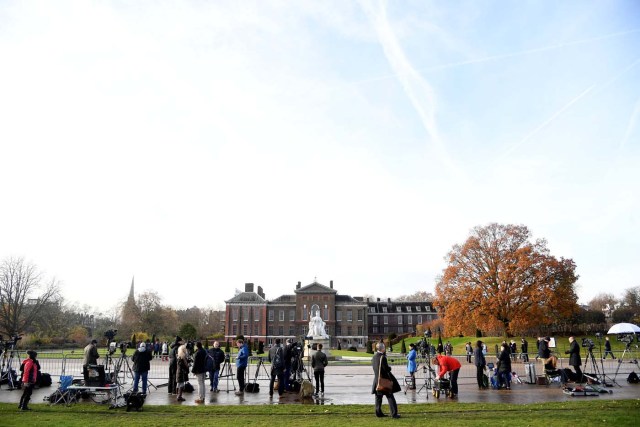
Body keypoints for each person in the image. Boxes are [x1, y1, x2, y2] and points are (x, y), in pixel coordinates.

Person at [371, 342, 400, 419]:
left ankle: (378, 413)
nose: (385, 349)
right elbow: (385, 369)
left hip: (377, 380)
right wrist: (389, 368)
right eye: (384, 347)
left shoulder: (374, 357)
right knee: (390, 397)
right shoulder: (382, 357)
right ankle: (394, 414)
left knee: (378, 398)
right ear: (382, 349)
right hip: (383, 381)